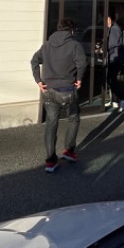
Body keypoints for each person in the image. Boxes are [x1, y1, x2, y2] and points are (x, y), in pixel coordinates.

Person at [30, 18, 87, 173]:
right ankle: (68, 151)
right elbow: (82, 63)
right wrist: (79, 79)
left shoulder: (47, 45)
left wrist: (38, 81)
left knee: (51, 123)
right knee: (73, 118)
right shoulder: (74, 45)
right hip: (67, 90)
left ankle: (50, 161)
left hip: (48, 91)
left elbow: (34, 61)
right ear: (71, 30)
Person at [104, 14, 124, 110]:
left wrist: (102, 49)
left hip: (116, 59)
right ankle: (114, 101)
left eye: (106, 19)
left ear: (110, 19)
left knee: (111, 80)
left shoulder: (114, 29)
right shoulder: (112, 29)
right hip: (114, 58)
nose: (104, 21)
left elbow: (111, 44)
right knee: (111, 79)